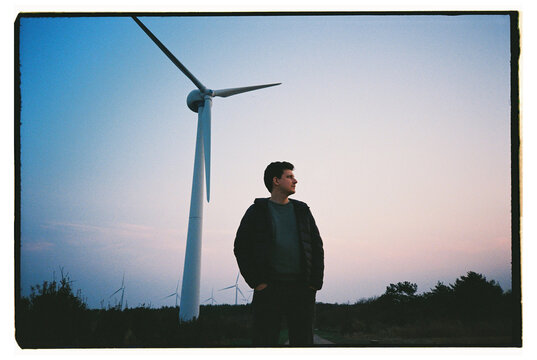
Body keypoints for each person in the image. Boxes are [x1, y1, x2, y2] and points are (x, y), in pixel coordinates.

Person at [233, 161, 324, 346]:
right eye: (289, 176)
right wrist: (257, 282)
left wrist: (314, 283)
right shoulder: (256, 211)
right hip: (269, 290)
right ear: (276, 180)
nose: (295, 180)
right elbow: (241, 247)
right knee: (265, 343)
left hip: (301, 289)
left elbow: (317, 247)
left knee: (303, 344)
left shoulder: (302, 211)